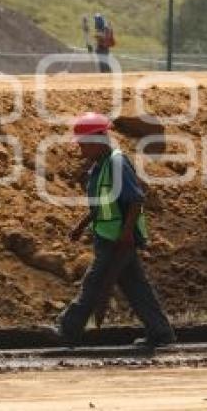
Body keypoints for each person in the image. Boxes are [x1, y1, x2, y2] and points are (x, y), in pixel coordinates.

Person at [56, 113, 176, 348]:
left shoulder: (116, 163)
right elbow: (103, 203)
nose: (79, 148)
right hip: (108, 237)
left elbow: (135, 200)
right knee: (136, 287)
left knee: (94, 283)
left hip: (118, 239)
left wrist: (127, 234)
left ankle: (67, 329)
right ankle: (161, 333)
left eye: (82, 143)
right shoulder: (99, 166)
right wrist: (81, 226)